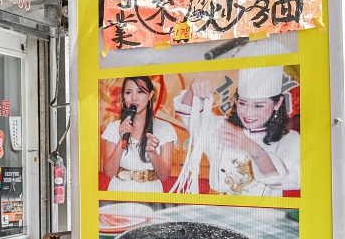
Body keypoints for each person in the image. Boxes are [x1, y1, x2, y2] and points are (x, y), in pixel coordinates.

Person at [174, 67, 300, 196]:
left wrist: (251, 147)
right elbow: (189, 112)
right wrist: (195, 87)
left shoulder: (289, 140)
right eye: (242, 103)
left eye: (258, 106)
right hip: (216, 205)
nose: (248, 112)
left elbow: (286, 180)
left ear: (278, 103)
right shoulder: (221, 126)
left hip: (261, 208)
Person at [101, 76, 177, 191]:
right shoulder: (113, 128)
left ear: (150, 95)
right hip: (119, 192)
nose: (134, 98)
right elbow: (109, 173)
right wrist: (122, 139)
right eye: (128, 92)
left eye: (140, 92)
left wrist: (152, 152)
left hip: (151, 193)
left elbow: (165, 176)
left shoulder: (165, 128)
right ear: (123, 96)